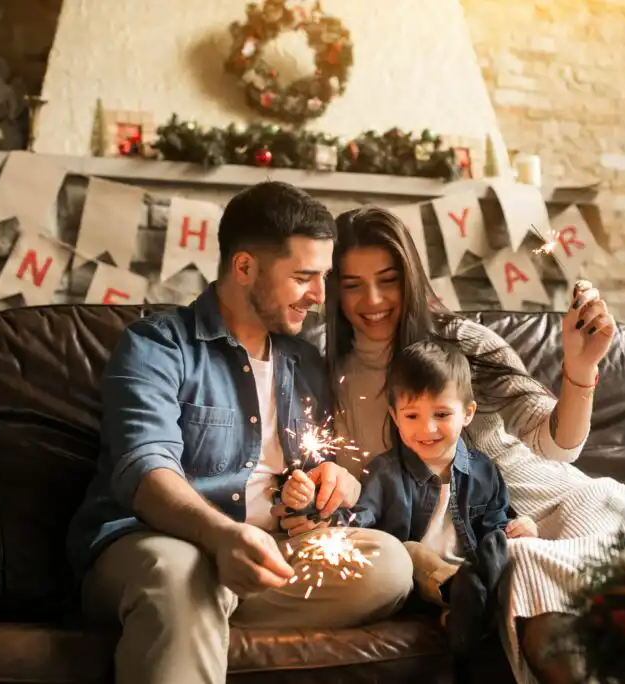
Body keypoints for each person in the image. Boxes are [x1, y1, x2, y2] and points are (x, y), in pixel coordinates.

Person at [65, 183, 413, 684]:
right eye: (303, 277)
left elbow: (317, 469)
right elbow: (143, 467)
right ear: (245, 267)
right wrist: (222, 537)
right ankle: (192, 599)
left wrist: (335, 486)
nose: (320, 297)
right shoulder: (158, 346)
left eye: (323, 278)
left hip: (267, 554)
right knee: (180, 572)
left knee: (388, 564)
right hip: (154, 545)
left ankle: (199, 611)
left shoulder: (306, 363)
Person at [314, 206, 625, 684]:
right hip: (490, 546)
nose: (373, 299)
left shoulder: (463, 343)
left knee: (534, 574)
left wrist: (580, 365)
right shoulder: (333, 378)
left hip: (561, 506)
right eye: (352, 284)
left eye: (388, 279)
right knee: (516, 577)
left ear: (411, 277)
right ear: (332, 289)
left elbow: (557, 446)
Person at [282, 340, 538, 650]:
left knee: (509, 551)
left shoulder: (484, 471)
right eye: (412, 416)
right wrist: (314, 509)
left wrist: (518, 531)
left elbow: (494, 527)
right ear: (395, 415)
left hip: (474, 576)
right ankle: (456, 593)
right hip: (416, 586)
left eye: (442, 414)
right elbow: (358, 521)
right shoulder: (386, 472)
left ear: (468, 413)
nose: (427, 428)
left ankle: (467, 613)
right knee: (409, 550)